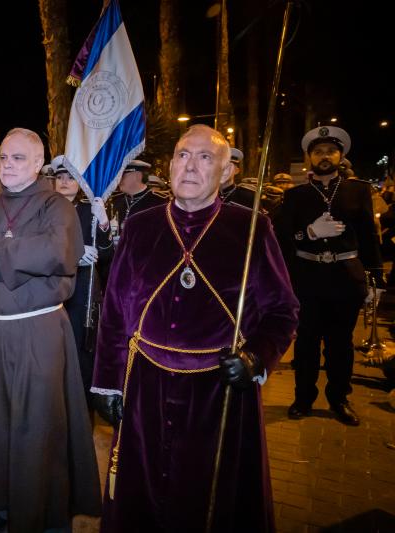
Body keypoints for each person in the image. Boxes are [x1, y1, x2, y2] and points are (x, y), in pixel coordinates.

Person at [92, 124, 299, 532]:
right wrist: (106, 383)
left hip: (218, 391)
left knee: (209, 503)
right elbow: (114, 310)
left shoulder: (251, 228)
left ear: (226, 172)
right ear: (170, 165)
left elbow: (283, 310)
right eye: (183, 155)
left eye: (205, 158)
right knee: (142, 500)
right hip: (145, 386)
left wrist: (255, 356)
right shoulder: (140, 226)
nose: (190, 166)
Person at [0, 128, 101, 532]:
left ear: (37, 163)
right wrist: (10, 258)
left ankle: (39, 511)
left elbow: (55, 252)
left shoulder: (57, 207)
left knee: (37, 424)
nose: (8, 165)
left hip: (38, 330)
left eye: (18, 158)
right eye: (3, 157)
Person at [274, 125, 383, 426]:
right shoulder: (295, 195)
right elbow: (282, 237)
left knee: (340, 344)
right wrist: (308, 233)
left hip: (346, 278)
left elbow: (369, 236)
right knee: (306, 343)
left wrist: (375, 279)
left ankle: (339, 399)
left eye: (330, 151)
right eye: (318, 152)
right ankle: (303, 398)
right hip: (307, 278)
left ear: (340, 156)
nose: (324, 156)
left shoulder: (358, 190)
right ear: (309, 158)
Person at [50, 155, 112, 411]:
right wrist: (74, 253)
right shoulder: (44, 210)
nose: (65, 181)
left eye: (71, 177)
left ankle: (82, 418)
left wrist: (104, 223)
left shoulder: (89, 211)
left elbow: (106, 254)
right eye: (60, 177)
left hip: (82, 295)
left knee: (82, 359)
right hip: (52, 293)